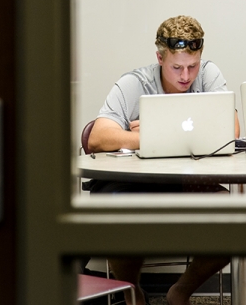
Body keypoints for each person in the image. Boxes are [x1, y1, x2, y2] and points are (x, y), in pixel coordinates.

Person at [87, 15, 237, 305]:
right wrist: (155, 137)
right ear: (159, 58)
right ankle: (133, 294)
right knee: (118, 218)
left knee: (236, 219)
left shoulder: (209, 74)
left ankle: (180, 291)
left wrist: (155, 131)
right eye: (176, 67)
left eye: (192, 66)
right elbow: (97, 136)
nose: (186, 76)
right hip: (131, 184)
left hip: (186, 182)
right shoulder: (134, 82)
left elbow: (231, 130)